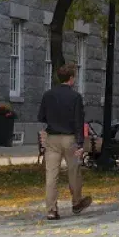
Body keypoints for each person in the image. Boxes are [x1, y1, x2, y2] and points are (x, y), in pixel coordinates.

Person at [38, 63, 92, 221]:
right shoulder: (75, 97)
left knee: (51, 174)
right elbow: (78, 121)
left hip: (52, 138)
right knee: (73, 172)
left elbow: (41, 117)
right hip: (70, 138)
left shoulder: (48, 95)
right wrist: (81, 143)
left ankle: (51, 209)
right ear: (71, 79)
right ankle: (76, 202)